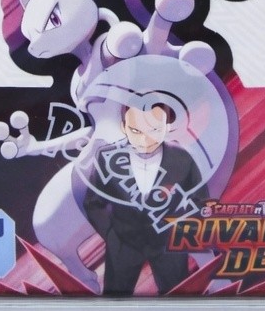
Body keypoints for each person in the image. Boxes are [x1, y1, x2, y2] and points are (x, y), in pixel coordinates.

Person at [82, 104, 206, 295]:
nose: (145, 140)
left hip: (168, 245)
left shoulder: (183, 158)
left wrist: (179, 233)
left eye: (154, 130)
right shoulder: (107, 158)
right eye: (136, 131)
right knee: (115, 302)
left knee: (178, 301)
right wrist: (112, 235)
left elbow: (200, 202)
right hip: (123, 244)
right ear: (124, 127)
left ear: (167, 126)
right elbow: (92, 203)